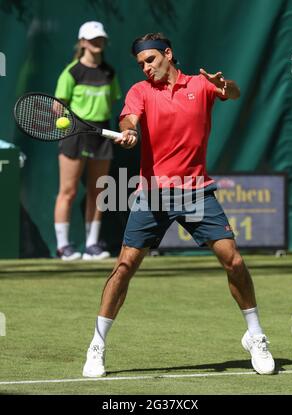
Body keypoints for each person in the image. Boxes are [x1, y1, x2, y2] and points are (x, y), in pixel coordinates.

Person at [82, 33, 275, 376]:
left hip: (196, 191)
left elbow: (234, 93)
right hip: (153, 193)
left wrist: (224, 83)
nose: (147, 68)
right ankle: (97, 345)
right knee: (124, 267)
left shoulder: (201, 85)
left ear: (168, 55)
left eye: (151, 60)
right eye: (141, 64)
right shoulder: (140, 91)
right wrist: (129, 130)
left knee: (234, 261)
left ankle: (256, 335)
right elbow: (129, 119)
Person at [54, 21, 121, 260]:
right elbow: (56, 106)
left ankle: (92, 245)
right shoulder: (71, 72)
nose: (97, 43)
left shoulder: (109, 72)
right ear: (82, 42)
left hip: (101, 133)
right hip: (74, 134)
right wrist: (73, 121)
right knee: (68, 191)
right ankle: (63, 247)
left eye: (100, 39)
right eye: (92, 39)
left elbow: (112, 101)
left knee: (98, 191)